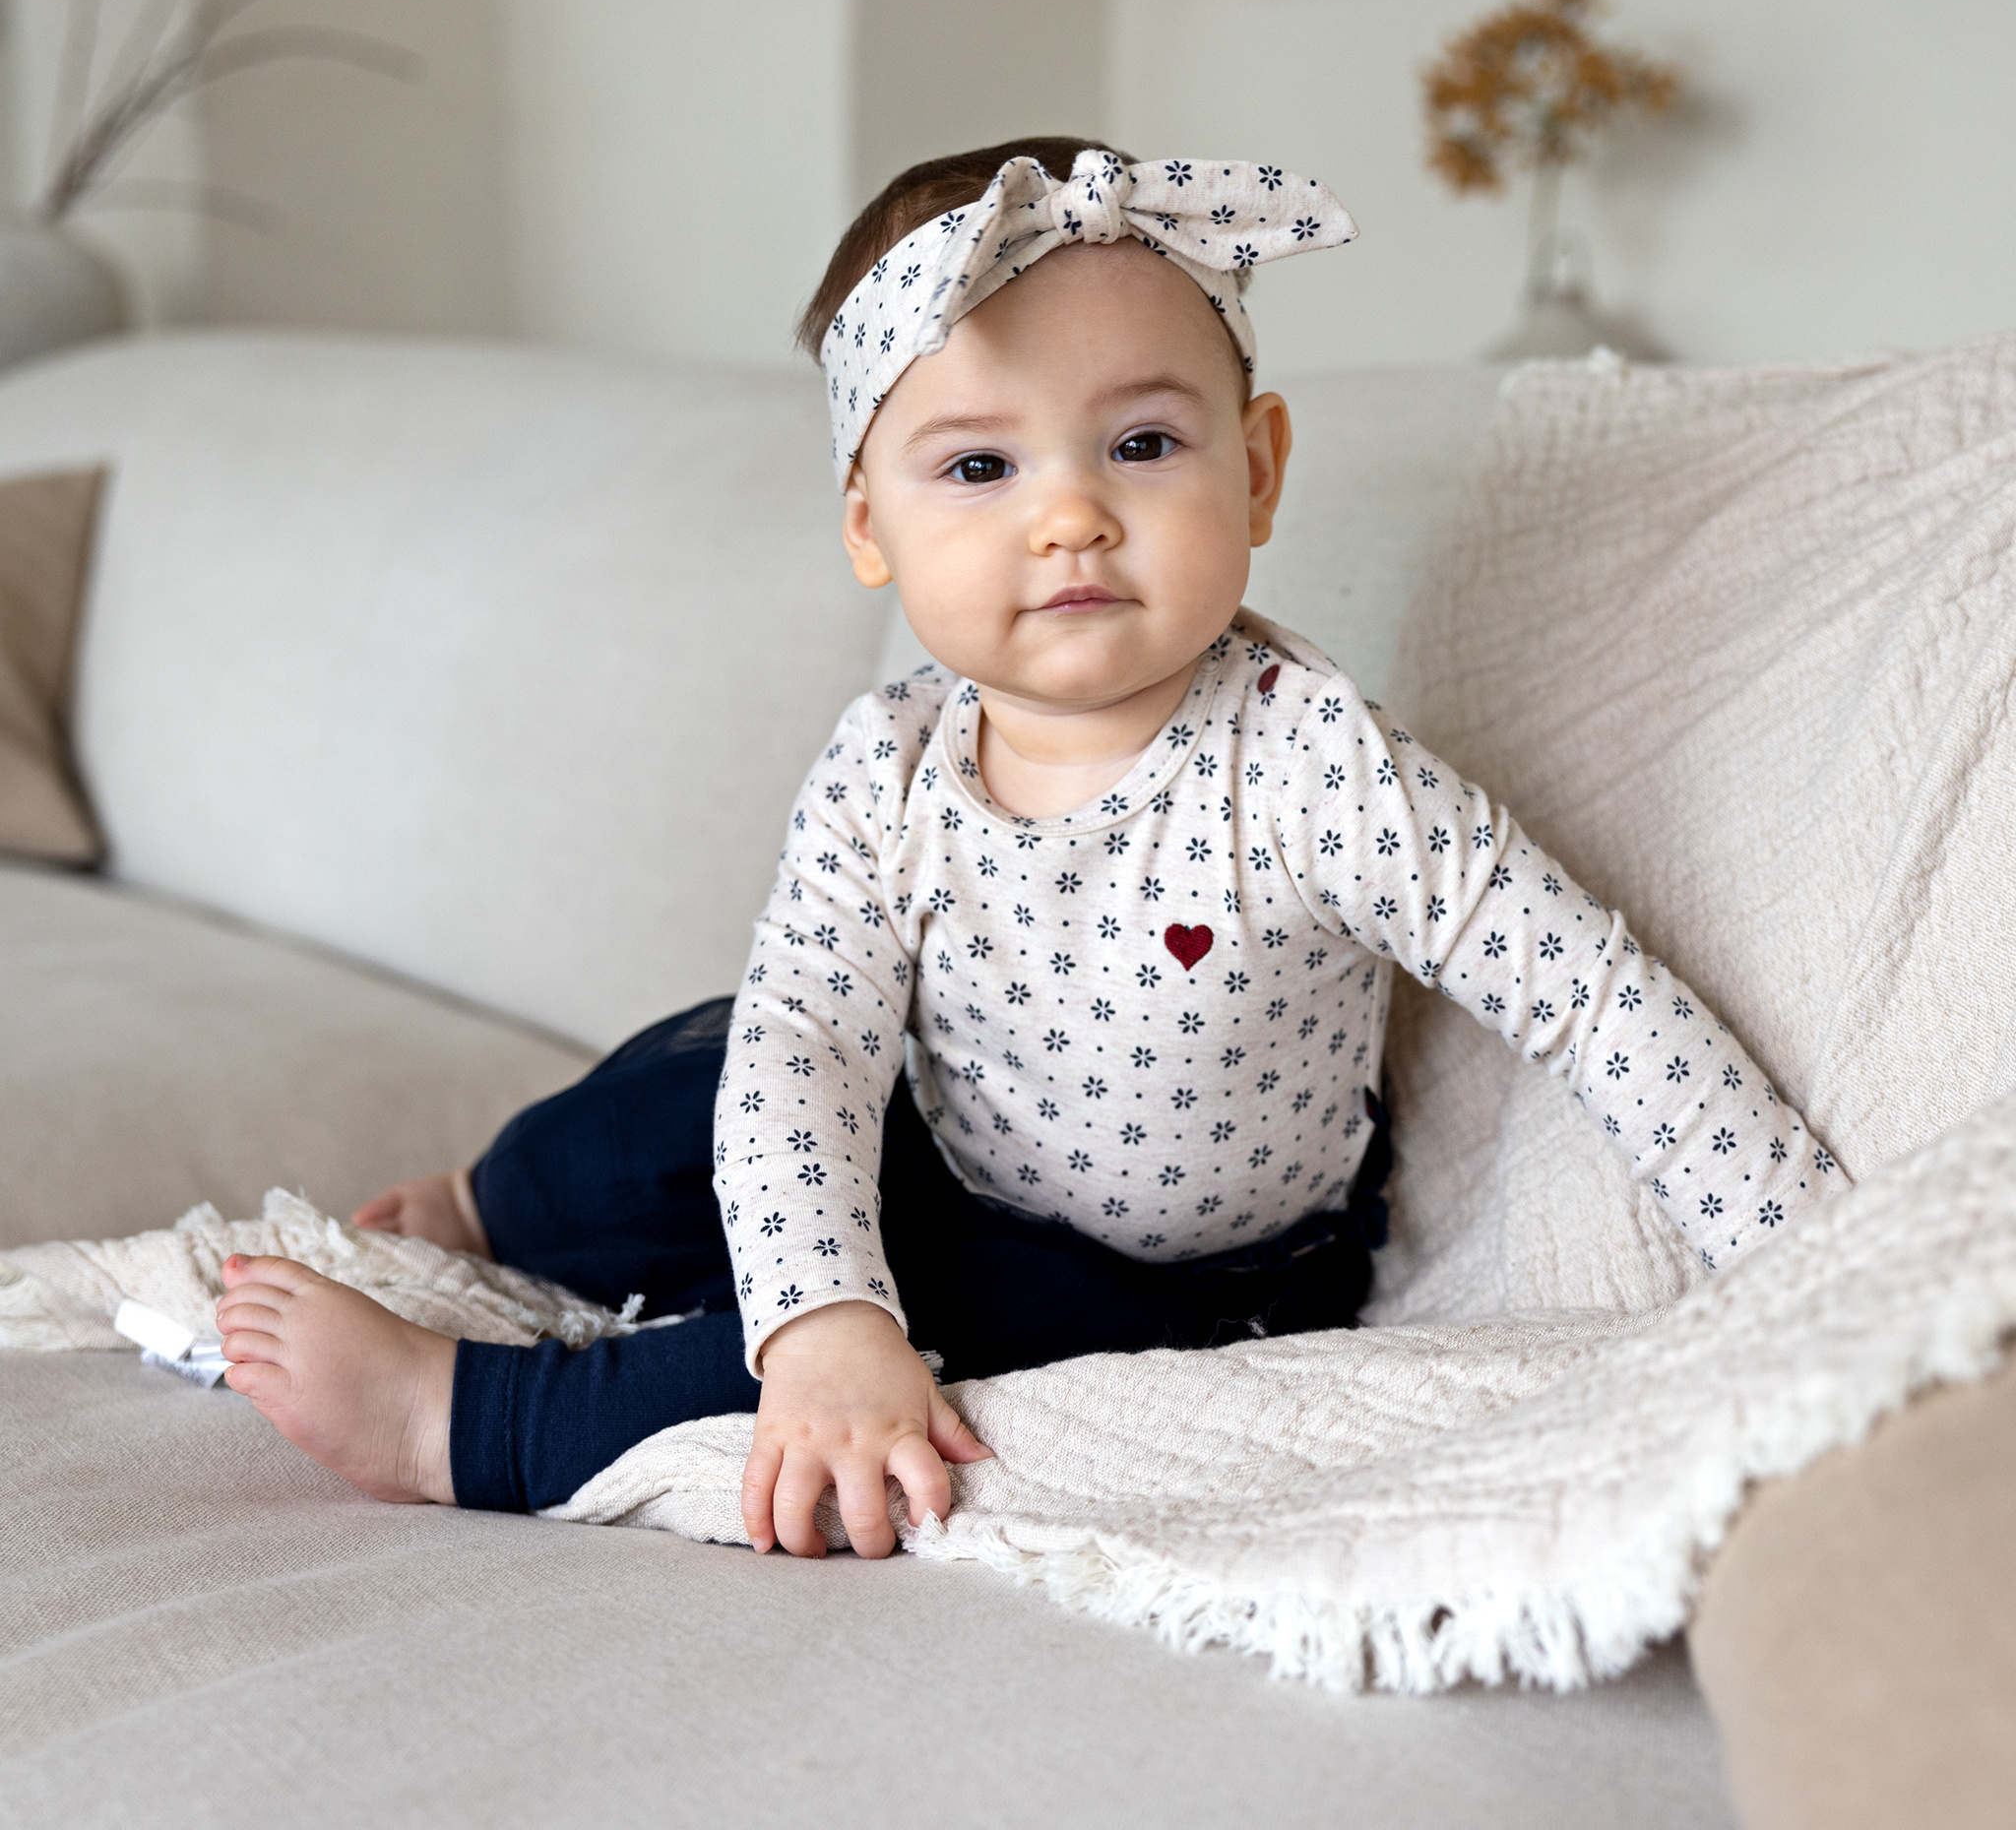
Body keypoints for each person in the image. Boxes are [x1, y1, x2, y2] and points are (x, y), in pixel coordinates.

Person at [215, 138, 1850, 1554]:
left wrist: (1816, 1257)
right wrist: (824, 1276)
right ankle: (491, 1207)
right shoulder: (888, 769)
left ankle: (469, 1423)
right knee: (702, 1081)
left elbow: (1587, 992)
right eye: (982, 466)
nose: (1069, 514)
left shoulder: (1315, 769)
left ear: (1256, 470)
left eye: (1141, 444)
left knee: (884, 1362)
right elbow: (807, 1042)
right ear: (873, 527)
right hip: (936, 1139)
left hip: (1187, 1282)